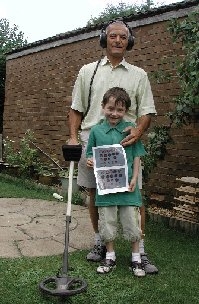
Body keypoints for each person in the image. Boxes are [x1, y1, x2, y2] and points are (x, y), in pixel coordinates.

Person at [68, 19, 158, 274]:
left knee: (135, 197)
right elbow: (76, 108)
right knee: (96, 196)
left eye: (122, 36)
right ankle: (100, 242)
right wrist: (74, 138)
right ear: (104, 39)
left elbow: (147, 112)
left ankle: (139, 250)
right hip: (94, 141)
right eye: (112, 36)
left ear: (129, 41)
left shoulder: (139, 75)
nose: (117, 40)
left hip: (126, 144)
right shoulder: (88, 71)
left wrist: (139, 131)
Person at [86, 87, 146, 276]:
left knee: (131, 221)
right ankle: (110, 255)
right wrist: (90, 160)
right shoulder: (96, 131)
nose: (114, 113)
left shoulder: (130, 129)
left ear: (125, 111)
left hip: (128, 187)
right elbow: (90, 153)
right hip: (106, 188)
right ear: (103, 107)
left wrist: (135, 178)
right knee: (107, 221)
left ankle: (136, 258)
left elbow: (137, 156)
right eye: (110, 108)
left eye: (120, 110)